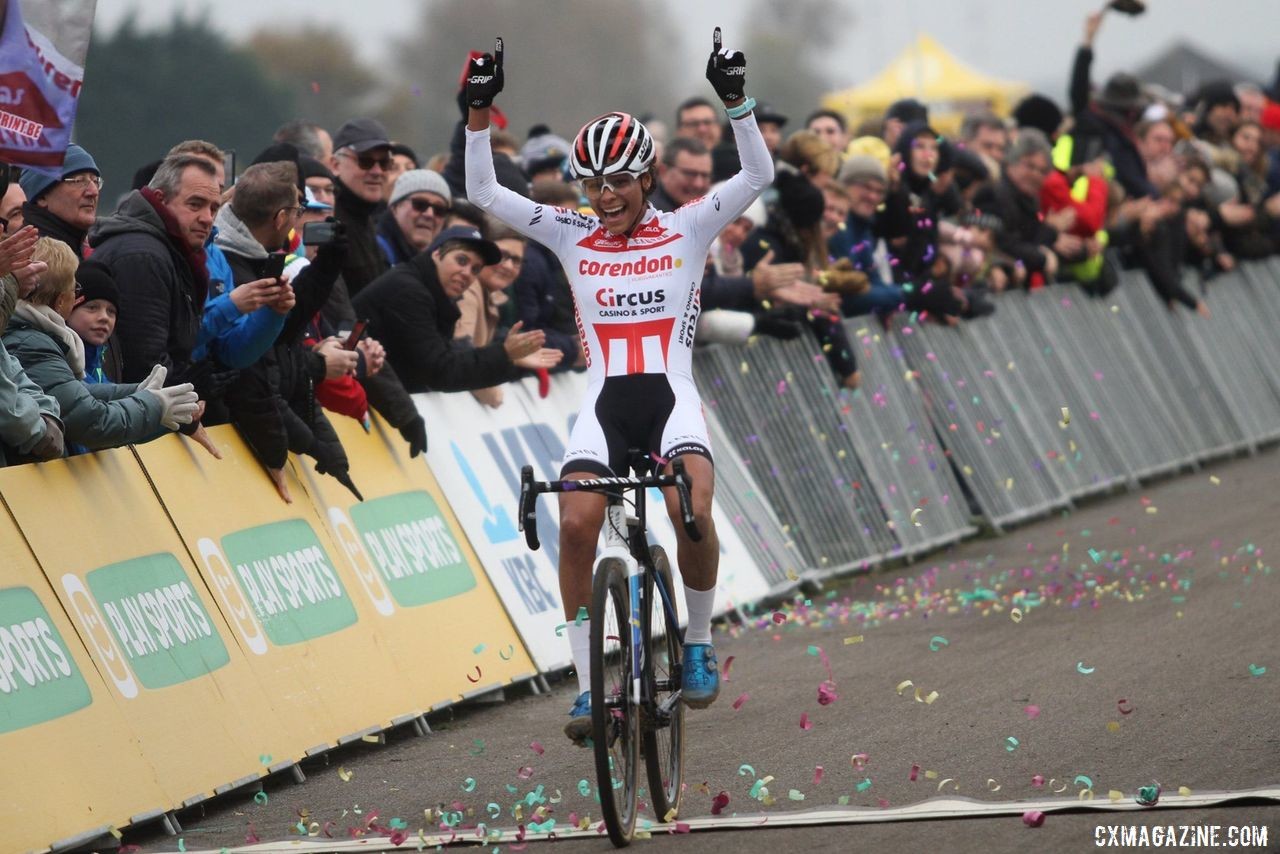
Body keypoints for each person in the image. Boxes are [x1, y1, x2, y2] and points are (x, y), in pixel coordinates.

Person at [464, 29, 773, 741]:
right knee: (574, 525)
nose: (604, 197)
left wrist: (737, 101)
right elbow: (483, 190)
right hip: (603, 406)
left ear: (647, 176)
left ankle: (696, 641)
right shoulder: (570, 232)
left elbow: (755, 176)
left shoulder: (689, 226)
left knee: (688, 503)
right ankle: (586, 687)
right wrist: (477, 111)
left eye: (619, 183)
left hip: (670, 399)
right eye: (593, 184)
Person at [3, 237, 199, 454]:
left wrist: (137, 392)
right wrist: (153, 406)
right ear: (60, 301)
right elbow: (90, 420)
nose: (103, 318)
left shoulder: (37, 338)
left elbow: (78, 395)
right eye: (74, 288)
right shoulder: (32, 343)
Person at [352, 224, 560, 393]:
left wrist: (508, 359)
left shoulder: (436, 293)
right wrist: (504, 353)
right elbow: (439, 371)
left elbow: (447, 361)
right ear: (436, 254)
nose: (467, 273)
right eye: (461, 260)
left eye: (475, 269)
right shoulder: (410, 290)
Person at [454, 221, 526, 408]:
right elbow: (460, 360)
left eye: (516, 260)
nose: (509, 266)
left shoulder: (490, 296)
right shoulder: (468, 291)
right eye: (503, 256)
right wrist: (492, 393)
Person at [328, 118, 393, 296]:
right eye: (365, 161)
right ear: (335, 165)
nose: (377, 171)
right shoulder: (328, 220)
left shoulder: (366, 216)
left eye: (384, 162)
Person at [18, 143, 100, 259]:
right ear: (42, 197)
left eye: (95, 181)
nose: (93, 192)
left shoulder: (92, 250)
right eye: (78, 181)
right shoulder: (28, 261)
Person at [376, 169, 452, 266]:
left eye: (439, 209)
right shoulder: (375, 252)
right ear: (395, 207)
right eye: (420, 204)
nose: (429, 214)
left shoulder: (439, 266)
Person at [650, 137, 713, 212]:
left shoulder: (712, 213)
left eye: (705, 175)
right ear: (663, 172)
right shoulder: (646, 215)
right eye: (690, 174)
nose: (698, 184)